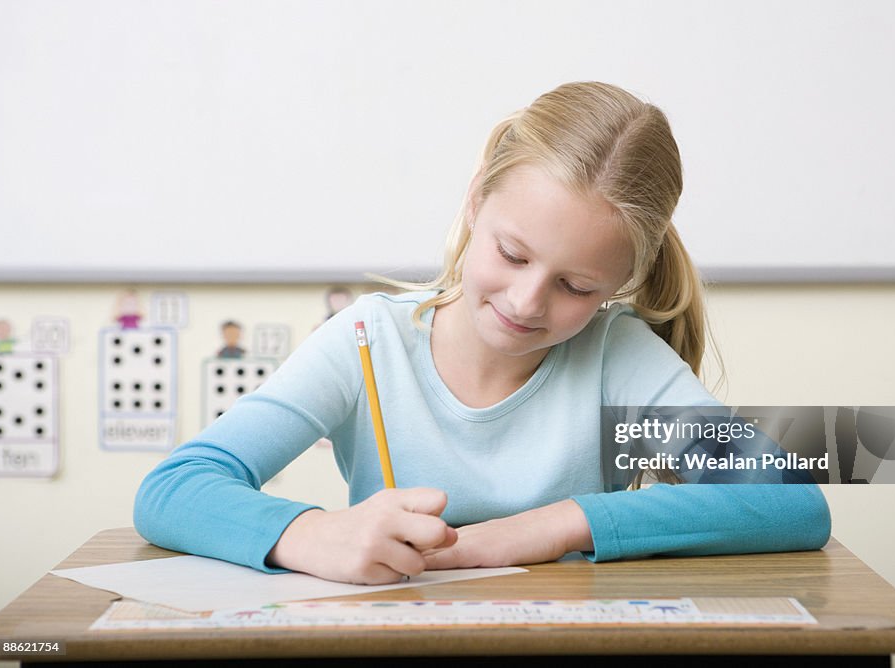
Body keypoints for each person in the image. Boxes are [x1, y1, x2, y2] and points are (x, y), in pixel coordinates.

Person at [135, 82, 830, 585]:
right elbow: (172, 489)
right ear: (474, 203)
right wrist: (309, 534)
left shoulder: (615, 355)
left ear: (621, 281)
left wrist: (552, 526)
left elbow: (792, 500)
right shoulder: (366, 343)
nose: (527, 302)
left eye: (576, 286)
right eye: (513, 255)